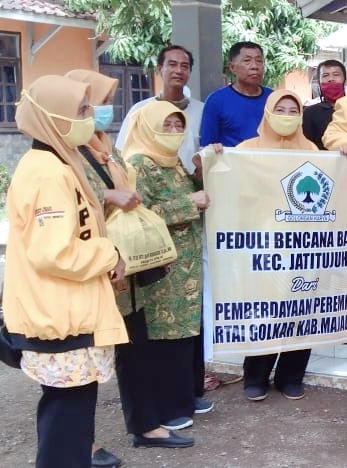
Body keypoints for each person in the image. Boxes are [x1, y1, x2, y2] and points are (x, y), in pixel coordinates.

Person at [3, 74, 129, 468]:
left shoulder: (54, 161)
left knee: (67, 419)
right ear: (54, 118)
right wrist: (109, 255)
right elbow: (54, 252)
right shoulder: (48, 171)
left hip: (64, 312)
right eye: (80, 110)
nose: (89, 117)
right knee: (67, 420)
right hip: (60, 317)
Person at [116, 45, 219, 412]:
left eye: (179, 124)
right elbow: (138, 211)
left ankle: (184, 400)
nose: (175, 130)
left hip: (184, 265)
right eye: (167, 125)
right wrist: (187, 204)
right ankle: (167, 408)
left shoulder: (172, 160)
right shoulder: (138, 163)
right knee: (162, 338)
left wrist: (199, 171)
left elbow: (193, 193)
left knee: (184, 336)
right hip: (160, 270)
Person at [64, 68, 139, 468]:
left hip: (106, 256)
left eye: (109, 101)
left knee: (92, 358)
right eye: (95, 102)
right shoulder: (63, 151)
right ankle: (81, 444)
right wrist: (107, 192)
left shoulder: (102, 143)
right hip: (83, 264)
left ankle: (83, 440)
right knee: (73, 365)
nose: (105, 110)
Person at [237, 90, 317, 400]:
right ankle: (255, 375)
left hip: (303, 244)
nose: (286, 115)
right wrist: (212, 157)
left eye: (292, 110)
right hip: (263, 244)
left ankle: (291, 375)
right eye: (279, 109)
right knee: (265, 309)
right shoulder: (246, 149)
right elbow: (228, 183)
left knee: (301, 307)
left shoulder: (310, 148)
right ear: (268, 113)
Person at [117, 45, 205, 179]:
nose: (178, 70)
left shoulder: (202, 110)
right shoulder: (141, 110)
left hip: (192, 186)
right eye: (172, 64)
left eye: (184, 66)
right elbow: (122, 151)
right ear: (159, 69)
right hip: (151, 187)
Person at [200, 41, 273, 147]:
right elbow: (207, 148)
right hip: (232, 162)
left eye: (259, 61)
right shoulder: (217, 100)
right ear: (232, 67)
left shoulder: (273, 98)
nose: (255, 66)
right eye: (247, 61)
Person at [302, 59, 347, 150]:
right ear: (319, 82)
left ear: (345, 80)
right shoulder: (309, 113)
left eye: (336, 75)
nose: (331, 79)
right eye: (325, 75)